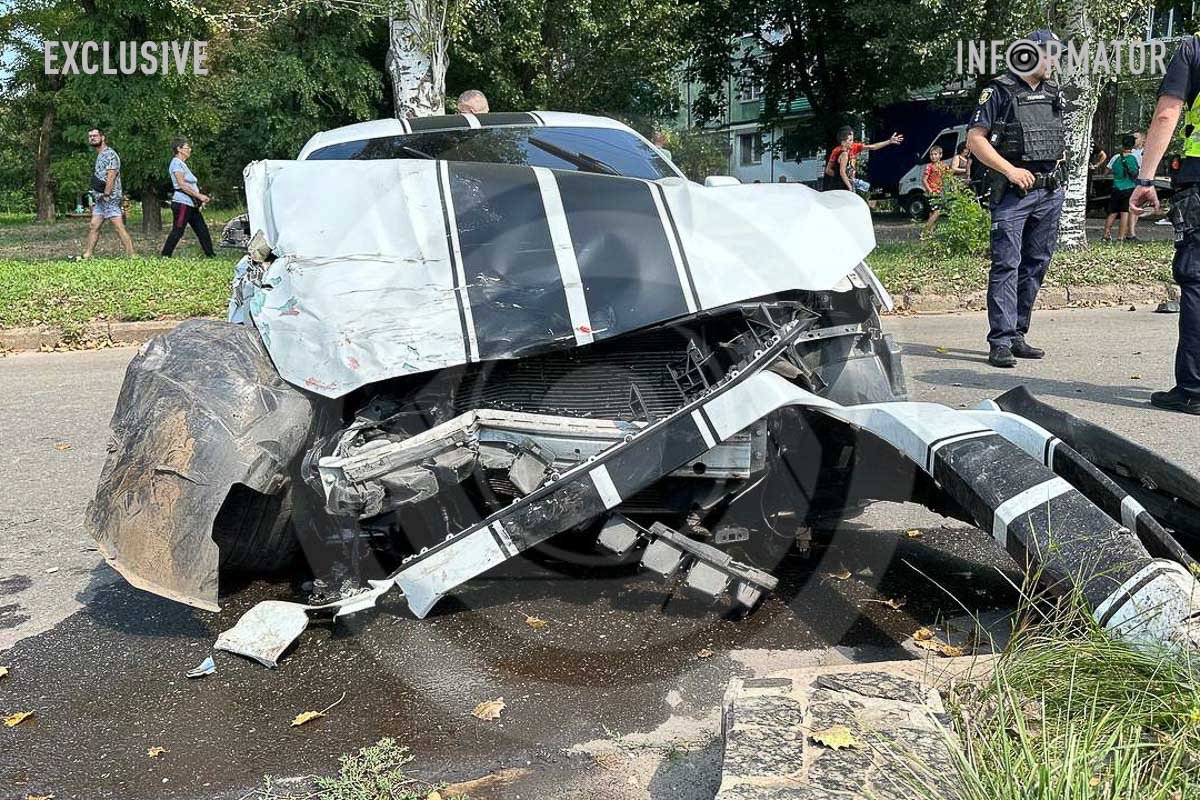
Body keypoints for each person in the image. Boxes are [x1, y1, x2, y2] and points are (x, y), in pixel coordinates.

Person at [966, 29, 1067, 369]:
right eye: (1050, 53)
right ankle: (1000, 340)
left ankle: (1017, 334)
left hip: (1049, 191)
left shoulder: (1053, 92)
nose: (1054, 61)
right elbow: (975, 139)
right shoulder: (999, 90)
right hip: (1013, 193)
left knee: (1036, 263)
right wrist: (1009, 170)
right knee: (1006, 264)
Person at [1129, 35, 1200, 414]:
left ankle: (1193, 389)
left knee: (1197, 280)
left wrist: (1145, 179)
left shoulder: (1193, 48)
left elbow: (1166, 114)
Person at [81, 128, 134, 258]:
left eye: (95, 136)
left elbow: (111, 176)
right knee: (94, 225)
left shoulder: (110, 154)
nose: (92, 138)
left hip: (109, 198)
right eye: (90, 136)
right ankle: (88, 254)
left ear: (102, 137)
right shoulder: (100, 155)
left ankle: (132, 255)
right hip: (100, 199)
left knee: (118, 227)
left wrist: (106, 194)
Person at [161, 137, 214, 258]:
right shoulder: (176, 163)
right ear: (179, 149)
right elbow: (182, 185)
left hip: (191, 204)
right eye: (187, 148)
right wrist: (199, 196)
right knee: (178, 230)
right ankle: (165, 255)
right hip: (182, 204)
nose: (189, 150)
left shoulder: (182, 164)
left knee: (202, 229)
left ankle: (211, 255)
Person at [823, 126, 904, 191]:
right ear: (843, 141)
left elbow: (872, 147)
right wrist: (842, 178)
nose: (852, 142)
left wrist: (889, 141)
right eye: (850, 140)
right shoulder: (837, 151)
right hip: (842, 184)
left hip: (851, 181)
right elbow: (828, 170)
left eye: (852, 139)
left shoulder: (854, 146)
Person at [1102, 135, 1139, 242]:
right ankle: (1120, 237)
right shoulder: (1133, 158)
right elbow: (1136, 173)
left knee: (1112, 212)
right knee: (1124, 213)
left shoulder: (1116, 157)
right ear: (1132, 145)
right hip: (1129, 188)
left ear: (1122, 144)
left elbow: (1106, 171)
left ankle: (1106, 235)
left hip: (1116, 188)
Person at [923, 144, 949, 235]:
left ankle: (931, 232)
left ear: (940, 155)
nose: (933, 156)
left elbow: (947, 177)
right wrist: (930, 190)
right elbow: (924, 180)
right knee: (937, 212)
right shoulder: (929, 166)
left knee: (932, 212)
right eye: (931, 155)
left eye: (935, 154)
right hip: (932, 192)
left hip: (940, 191)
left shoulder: (944, 166)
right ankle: (925, 232)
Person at [1128, 130, 1146, 239]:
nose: (1133, 140)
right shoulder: (1129, 151)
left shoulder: (1146, 151)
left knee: (1138, 206)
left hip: (1142, 181)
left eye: (1136, 138)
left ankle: (1131, 230)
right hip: (1132, 181)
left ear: (1143, 139)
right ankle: (1131, 233)